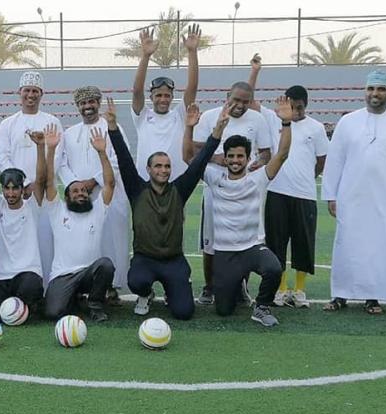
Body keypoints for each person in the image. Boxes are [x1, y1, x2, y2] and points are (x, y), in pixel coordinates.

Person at [112, 98, 228, 320]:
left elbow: (200, 161)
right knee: (136, 281)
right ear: (148, 169)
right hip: (145, 259)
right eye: (158, 166)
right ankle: (145, 294)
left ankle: (171, 289)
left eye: (167, 166)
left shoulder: (179, 190)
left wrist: (218, 131)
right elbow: (124, 159)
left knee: (184, 312)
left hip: (173, 260)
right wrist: (113, 129)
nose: (163, 170)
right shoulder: (137, 189)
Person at [202, 97, 294, 327]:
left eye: (240, 156)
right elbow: (188, 157)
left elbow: (281, 154)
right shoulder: (214, 178)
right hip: (225, 252)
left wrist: (286, 124)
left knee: (274, 268)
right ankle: (237, 285)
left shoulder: (258, 178)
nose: (235, 160)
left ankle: (262, 307)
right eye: (231, 156)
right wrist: (214, 131)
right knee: (223, 310)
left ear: (248, 157)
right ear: (225, 157)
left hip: (252, 247)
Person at [322, 70, 386, 314]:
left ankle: (373, 297)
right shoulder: (348, 121)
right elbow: (335, 160)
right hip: (351, 196)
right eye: (371, 89)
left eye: (381, 89)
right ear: (365, 91)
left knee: (379, 246)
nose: (375, 94)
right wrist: (331, 194)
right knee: (347, 244)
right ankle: (340, 295)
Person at [248, 59, 328, 307]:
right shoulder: (274, 120)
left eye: (300, 107)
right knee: (276, 242)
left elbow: (321, 160)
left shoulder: (315, 128)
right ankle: (281, 289)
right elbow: (250, 101)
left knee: (303, 243)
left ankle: (300, 290)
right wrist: (255, 71)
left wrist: (307, 178)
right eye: (292, 107)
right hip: (277, 192)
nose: (295, 111)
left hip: (304, 194)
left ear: (306, 105)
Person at [191, 81, 272, 305]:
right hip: (215, 186)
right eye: (236, 100)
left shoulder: (257, 119)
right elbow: (195, 150)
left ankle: (241, 287)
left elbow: (266, 153)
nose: (240, 105)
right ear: (227, 95)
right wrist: (216, 158)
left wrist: (258, 164)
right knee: (211, 241)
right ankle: (209, 287)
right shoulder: (210, 117)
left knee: (245, 241)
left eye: (245, 102)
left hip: (246, 189)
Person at [58, 86, 130, 302]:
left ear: (98, 103)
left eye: (91, 102)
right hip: (79, 199)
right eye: (83, 103)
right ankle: (83, 283)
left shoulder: (112, 128)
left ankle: (112, 286)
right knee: (86, 239)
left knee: (112, 239)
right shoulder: (69, 133)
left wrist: (94, 181)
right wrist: (75, 184)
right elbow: (62, 163)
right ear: (77, 106)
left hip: (109, 193)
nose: (87, 107)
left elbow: (120, 159)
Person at [0, 71, 63, 283]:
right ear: (20, 93)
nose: (30, 95)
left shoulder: (51, 121)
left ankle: (46, 286)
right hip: (16, 194)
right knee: (19, 242)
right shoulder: (8, 123)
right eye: (27, 91)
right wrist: (20, 184)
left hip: (42, 193)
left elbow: (56, 156)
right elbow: (2, 156)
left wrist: (37, 183)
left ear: (41, 94)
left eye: (35, 91)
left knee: (44, 239)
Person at [44, 123, 116, 322]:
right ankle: (75, 298)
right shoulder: (57, 210)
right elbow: (49, 182)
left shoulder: (98, 210)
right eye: (75, 191)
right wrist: (50, 150)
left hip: (89, 274)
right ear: (66, 197)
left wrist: (102, 152)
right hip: (63, 275)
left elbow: (109, 183)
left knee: (106, 265)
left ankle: (95, 304)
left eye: (83, 191)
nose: (81, 193)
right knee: (53, 313)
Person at [0, 132, 45, 319]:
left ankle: (30, 306)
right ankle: (14, 306)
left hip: (26, 272)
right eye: (7, 188)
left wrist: (40, 147)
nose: (11, 193)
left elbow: (41, 179)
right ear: (3, 189)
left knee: (31, 287)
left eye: (15, 188)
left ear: (23, 189)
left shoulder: (32, 207)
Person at [131, 24, 201, 180]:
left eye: (167, 95)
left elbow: (193, 87)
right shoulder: (142, 116)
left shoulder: (180, 115)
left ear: (171, 97)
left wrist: (192, 52)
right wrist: (145, 56)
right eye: (158, 95)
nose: (163, 99)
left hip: (175, 184)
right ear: (151, 98)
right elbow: (137, 90)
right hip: (145, 183)